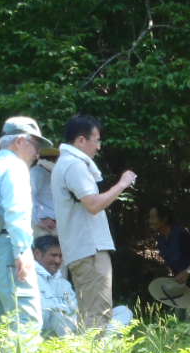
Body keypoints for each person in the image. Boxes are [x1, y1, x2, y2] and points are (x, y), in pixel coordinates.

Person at [52, 113, 136, 333]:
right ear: (81, 140)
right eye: (96, 140)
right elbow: (93, 204)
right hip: (90, 250)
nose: (99, 147)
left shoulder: (67, 163)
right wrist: (123, 184)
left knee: (91, 313)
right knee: (97, 317)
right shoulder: (73, 165)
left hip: (84, 249)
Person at [0, 115, 47, 339]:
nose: (37, 153)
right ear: (20, 142)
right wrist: (23, 251)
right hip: (8, 251)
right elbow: (17, 212)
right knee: (27, 321)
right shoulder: (14, 168)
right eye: (35, 145)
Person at [149, 205, 190, 322]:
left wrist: (187, 272)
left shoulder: (180, 233)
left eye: (153, 218)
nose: (150, 221)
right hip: (184, 281)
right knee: (177, 320)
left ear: (164, 219)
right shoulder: (161, 240)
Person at [33, 236, 78, 338]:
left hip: (72, 329)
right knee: (57, 315)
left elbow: (75, 310)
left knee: (121, 311)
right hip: (43, 335)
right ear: (37, 254)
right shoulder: (29, 279)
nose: (57, 261)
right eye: (53, 255)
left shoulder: (64, 283)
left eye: (60, 256)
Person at [30, 149, 57, 240]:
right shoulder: (36, 172)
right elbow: (30, 197)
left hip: (55, 224)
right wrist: (39, 220)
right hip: (43, 225)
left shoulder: (54, 174)